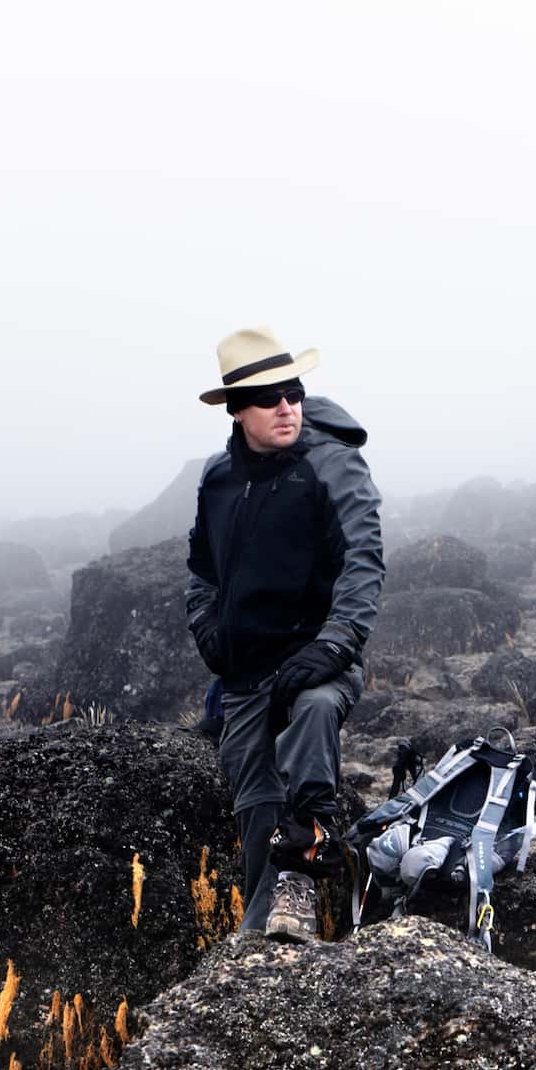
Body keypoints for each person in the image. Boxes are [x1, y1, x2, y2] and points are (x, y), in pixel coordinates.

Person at [186, 326, 382, 943]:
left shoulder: (332, 466)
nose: (286, 406)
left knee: (315, 713)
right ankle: (261, 931)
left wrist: (332, 645)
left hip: (319, 658)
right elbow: (201, 574)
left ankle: (297, 891)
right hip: (246, 673)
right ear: (238, 411)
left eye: (293, 392)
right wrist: (210, 635)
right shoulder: (220, 482)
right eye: (269, 397)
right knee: (254, 804)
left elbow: (364, 559)